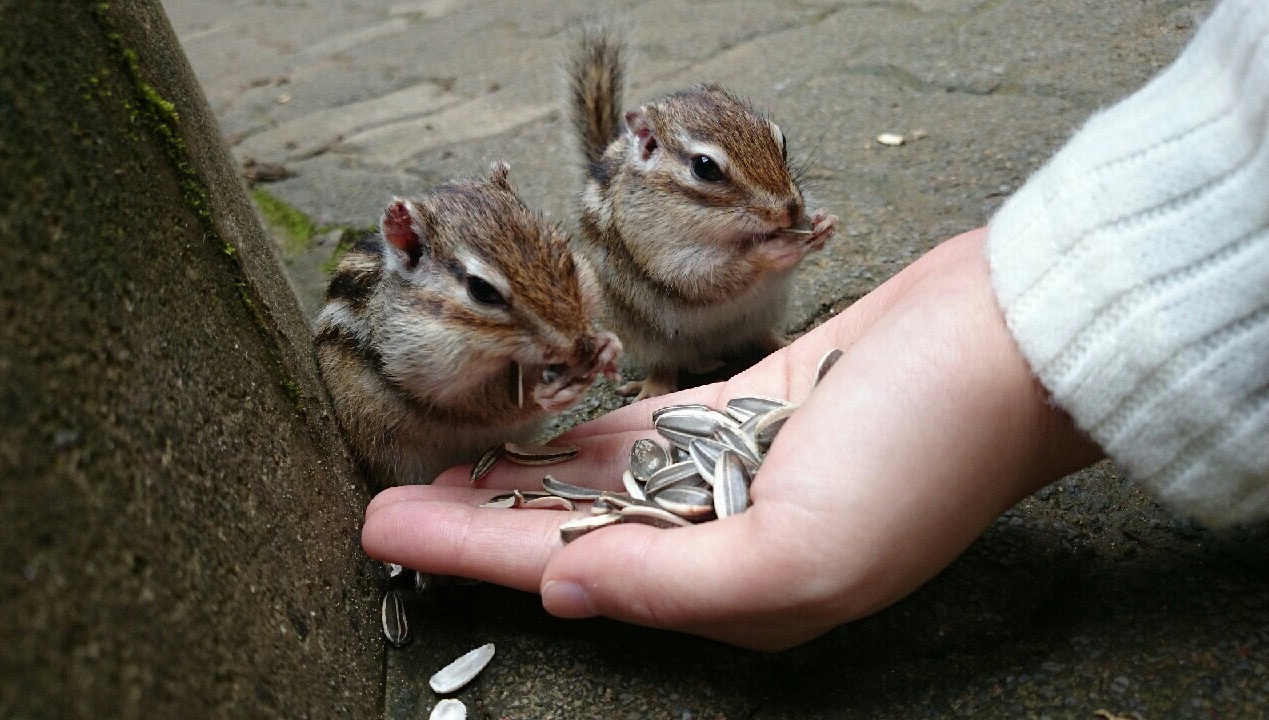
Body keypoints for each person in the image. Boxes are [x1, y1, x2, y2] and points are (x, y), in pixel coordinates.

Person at [360, 0, 1269, 651]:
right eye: (716, 176)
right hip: (668, 320)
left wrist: (773, 260)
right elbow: (675, 286)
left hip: (711, 314)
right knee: (648, 313)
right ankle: (680, 365)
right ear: (640, 149)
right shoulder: (623, 229)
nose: (781, 199)